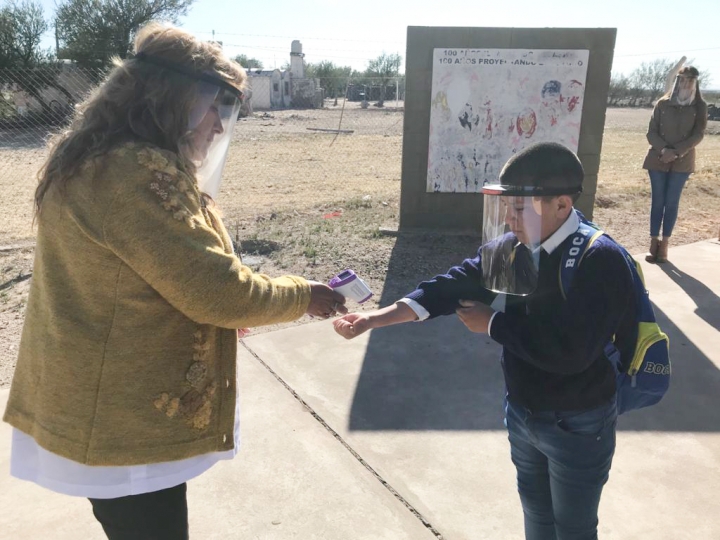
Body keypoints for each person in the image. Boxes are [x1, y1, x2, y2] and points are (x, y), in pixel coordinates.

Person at [3, 23, 346, 540]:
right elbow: (218, 292)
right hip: (125, 416)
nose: (218, 125)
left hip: (102, 400)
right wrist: (305, 295)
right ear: (174, 97)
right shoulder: (137, 172)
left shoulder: (96, 158)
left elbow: (150, 278)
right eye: (214, 105)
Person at [334, 142, 637, 540]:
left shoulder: (600, 260)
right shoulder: (512, 248)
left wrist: (493, 324)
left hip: (577, 422)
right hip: (523, 412)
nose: (509, 220)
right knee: (537, 515)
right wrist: (376, 318)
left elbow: (571, 353)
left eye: (519, 209)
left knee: (574, 527)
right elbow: (451, 286)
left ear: (562, 205)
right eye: (505, 207)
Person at [642, 66, 707, 264]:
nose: (686, 83)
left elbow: (698, 134)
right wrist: (664, 151)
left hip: (682, 161)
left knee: (671, 202)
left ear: (695, 83)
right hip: (658, 159)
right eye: (683, 79)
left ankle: (665, 244)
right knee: (658, 201)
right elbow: (651, 132)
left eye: (690, 80)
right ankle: (653, 241)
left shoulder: (699, 106)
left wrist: (677, 152)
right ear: (677, 81)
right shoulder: (662, 104)